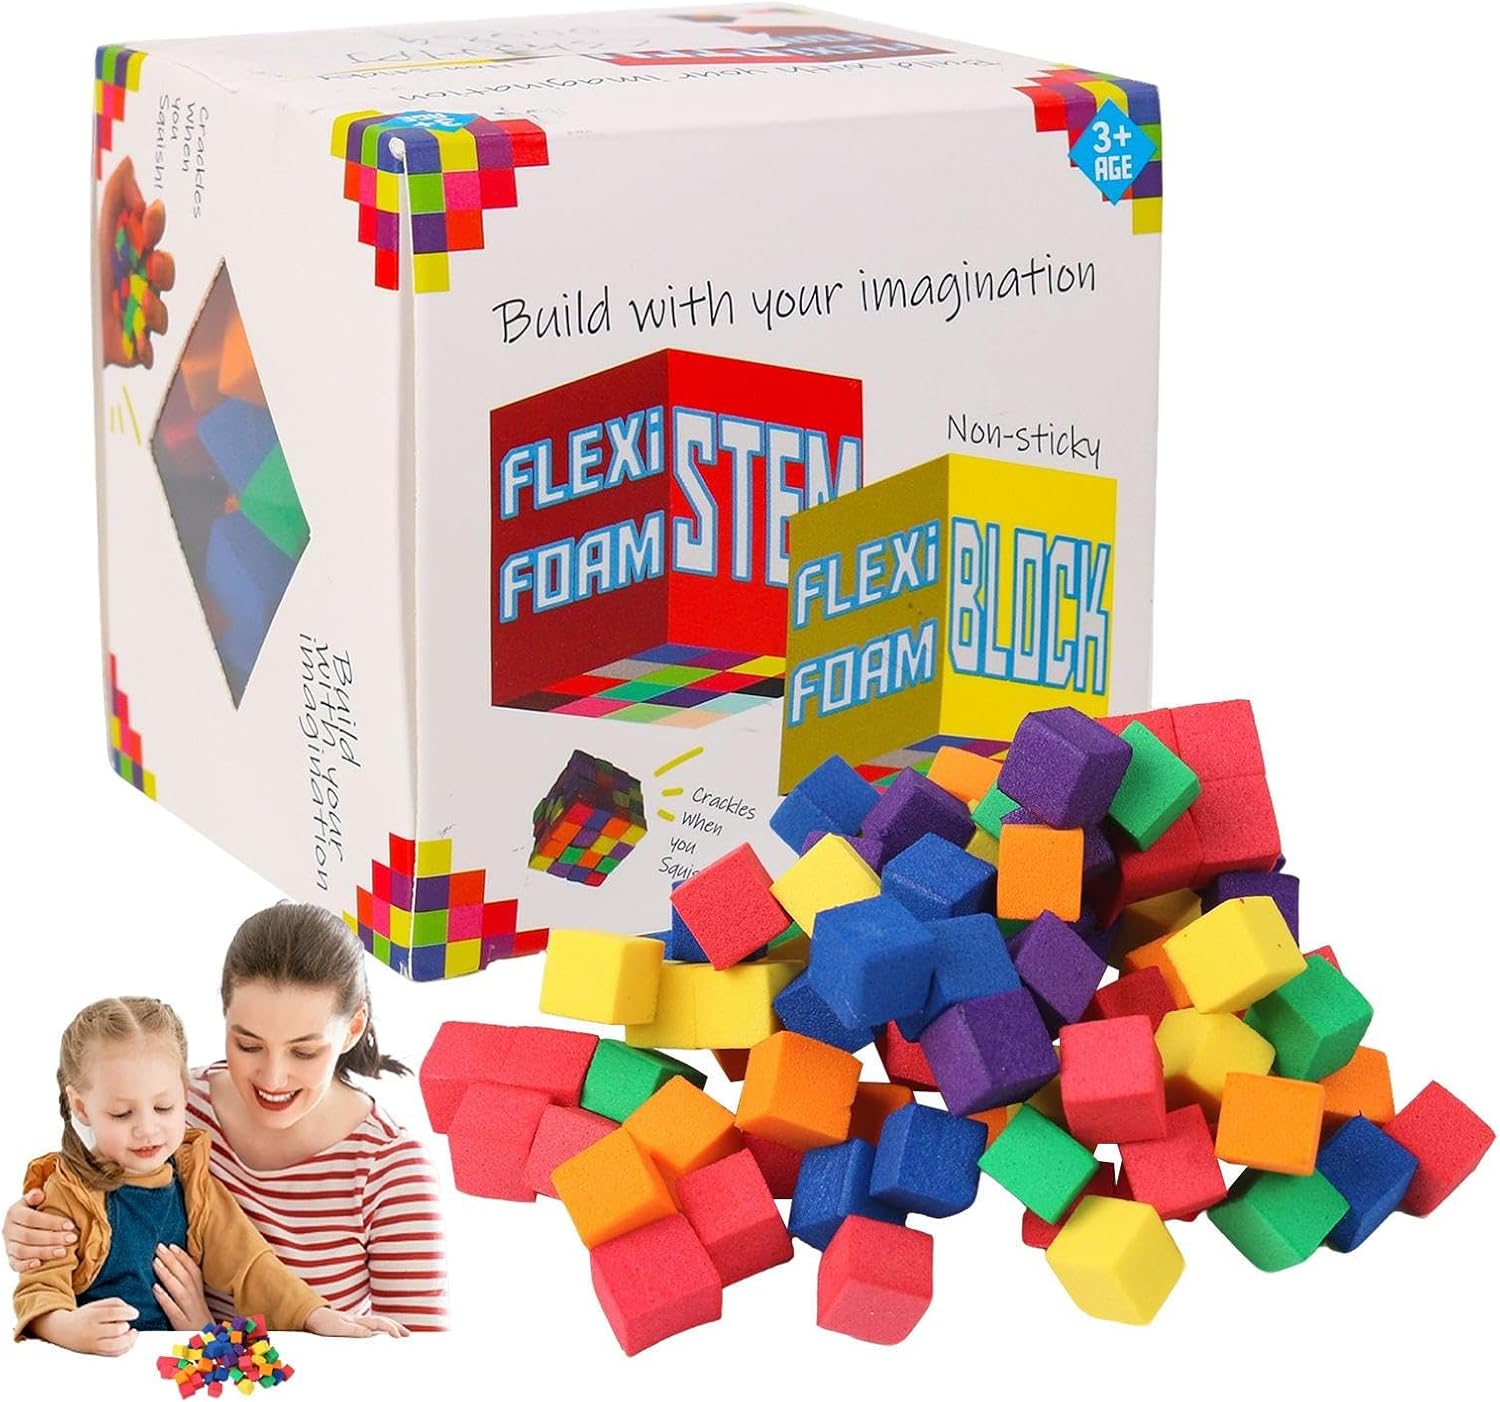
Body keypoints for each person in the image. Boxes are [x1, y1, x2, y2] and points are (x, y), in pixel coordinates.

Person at [6, 904, 446, 1332]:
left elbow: (418, 1369)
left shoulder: (391, 1169)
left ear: (352, 1029)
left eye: (304, 1051)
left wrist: (210, 1335)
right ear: (224, 1014)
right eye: (248, 1045)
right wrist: (32, 1229)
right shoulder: (174, 1110)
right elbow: (83, 1195)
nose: (273, 1078)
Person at [15, 996, 405, 1353]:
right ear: (81, 1107)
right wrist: (66, 1328)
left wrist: (314, 1315)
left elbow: (250, 1265)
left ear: (184, 1093)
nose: (147, 1129)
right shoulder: (67, 1191)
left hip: (179, 1366)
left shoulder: (194, 1184)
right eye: (122, 1113)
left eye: (164, 1108)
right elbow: (40, 1288)